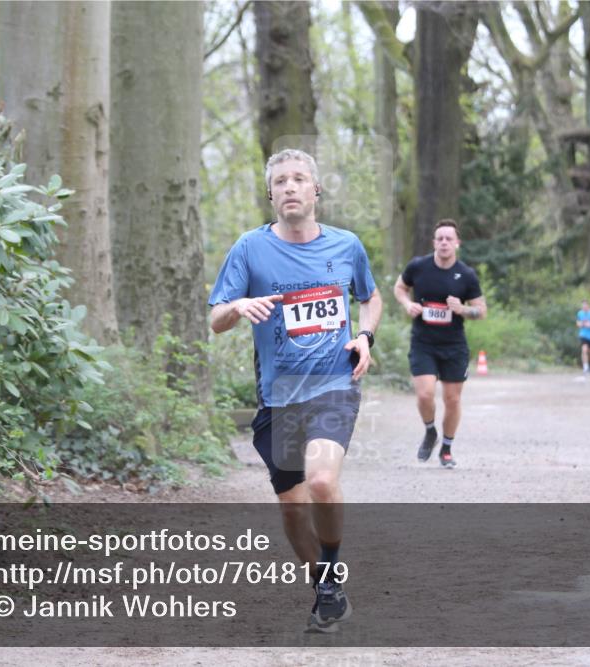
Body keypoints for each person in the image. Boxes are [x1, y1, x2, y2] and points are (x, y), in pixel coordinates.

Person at [208, 148, 382, 633]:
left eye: (299, 178)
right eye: (280, 180)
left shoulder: (346, 246)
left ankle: (329, 579)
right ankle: (328, 587)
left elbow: (370, 297)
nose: (289, 186)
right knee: (292, 505)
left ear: (315, 190)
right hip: (277, 396)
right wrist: (239, 306)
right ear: (270, 193)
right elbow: (216, 318)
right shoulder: (249, 249)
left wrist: (365, 336)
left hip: (334, 385)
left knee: (322, 482)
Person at [393, 220, 486, 469]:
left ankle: (446, 448)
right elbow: (400, 288)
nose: (444, 242)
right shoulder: (418, 266)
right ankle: (430, 431)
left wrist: (463, 309)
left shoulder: (466, 275)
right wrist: (407, 304)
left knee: (452, 400)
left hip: (454, 345)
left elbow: (481, 311)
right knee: (424, 394)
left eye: (449, 238)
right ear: (434, 242)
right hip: (423, 342)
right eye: (440, 238)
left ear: (457, 243)